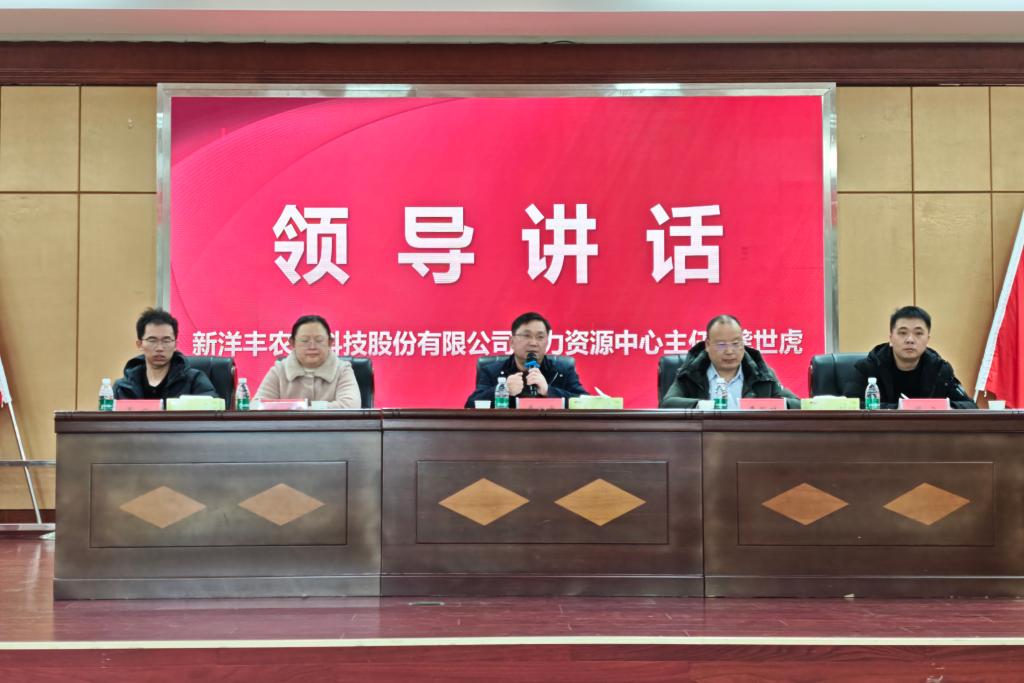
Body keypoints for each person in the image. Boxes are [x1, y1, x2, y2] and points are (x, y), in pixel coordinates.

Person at [841, 305, 977, 409]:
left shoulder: (940, 369)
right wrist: (901, 408)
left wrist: (943, 407)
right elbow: (849, 406)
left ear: (928, 339)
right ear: (891, 338)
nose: (910, 339)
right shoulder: (867, 368)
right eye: (902, 333)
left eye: (918, 333)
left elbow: (970, 406)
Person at [661, 314, 801, 409]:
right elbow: (667, 403)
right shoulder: (691, 373)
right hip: (704, 440)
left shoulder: (762, 374)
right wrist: (708, 406)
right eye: (721, 345)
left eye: (736, 343)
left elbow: (797, 404)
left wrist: (762, 406)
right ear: (707, 345)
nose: (729, 351)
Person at [465, 311, 588, 408]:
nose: (533, 343)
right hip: (507, 430)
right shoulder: (492, 371)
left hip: (551, 430)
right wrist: (504, 390)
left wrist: (549, 391)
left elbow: (586, 403)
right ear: (511, 342)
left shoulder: (562, 370)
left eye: (540, 337)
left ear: (547, 342)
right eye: (526, 336)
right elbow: (471, 405)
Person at [255, 314, 361, 409]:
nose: (312, 347)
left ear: (330, 342)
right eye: (304, 341)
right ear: (292, 343)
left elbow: (350, 406)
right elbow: (257, 406)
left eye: (319, 340)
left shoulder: (342, 370)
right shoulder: (279, 371)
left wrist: (302, 408)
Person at [113, 308, 217, 400]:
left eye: (166, 340)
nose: (160, 348)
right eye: (152, 340)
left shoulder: (195, 380)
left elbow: (212, 409)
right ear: (140, 344)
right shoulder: (122, 388)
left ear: (175, 345)